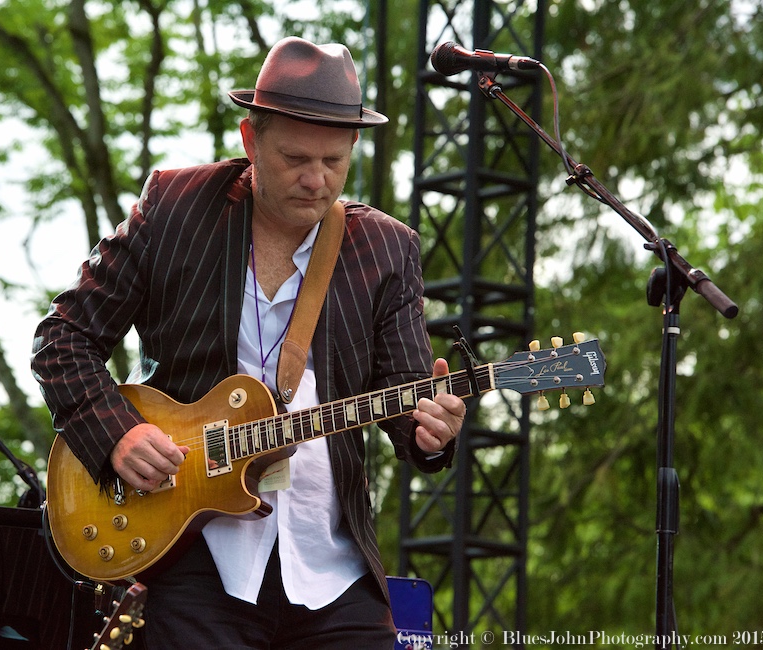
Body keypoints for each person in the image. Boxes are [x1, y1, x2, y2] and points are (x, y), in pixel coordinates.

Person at [31, 36, 466, 649]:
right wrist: (118, 435)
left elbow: (408, 405)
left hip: (331, 565)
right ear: (249, 140)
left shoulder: (386, 248)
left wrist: (432, 432)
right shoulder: (175, 208)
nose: (316, 180)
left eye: (335, 161)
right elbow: (63, 339)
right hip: (193, 554)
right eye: (295, 158)